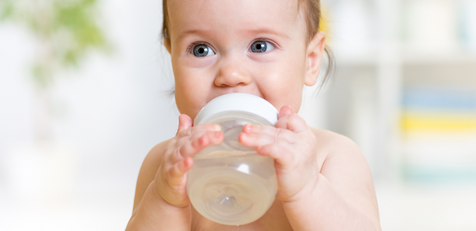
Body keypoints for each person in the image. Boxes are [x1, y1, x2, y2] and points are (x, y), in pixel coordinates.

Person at [126, 0, 381, 230]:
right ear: (172, 59)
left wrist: (308, 189)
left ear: (310, 60)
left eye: (260, 46)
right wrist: (166, 199)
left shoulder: (331, 157)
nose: (232, 74)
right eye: (201, 49)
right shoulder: (166, 165)